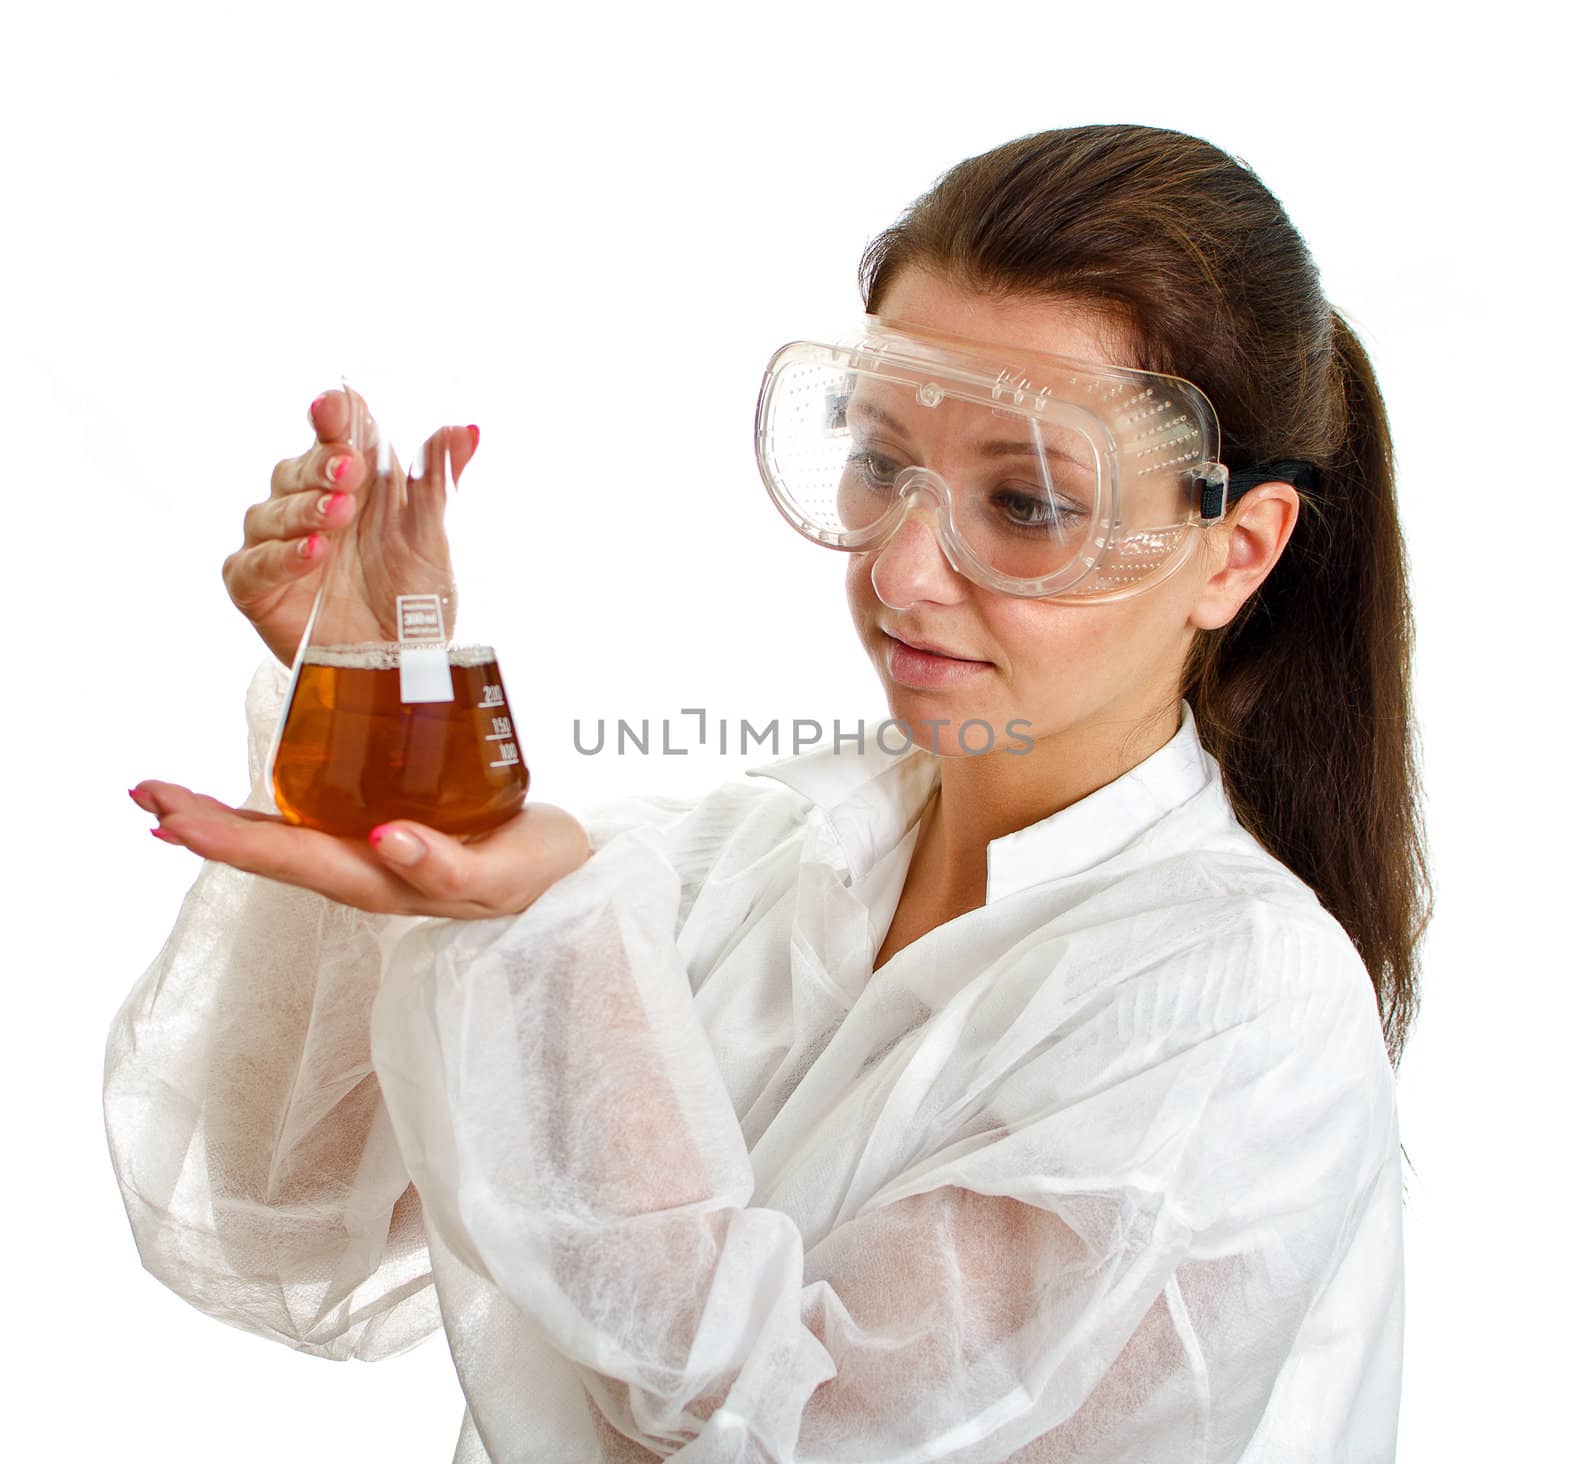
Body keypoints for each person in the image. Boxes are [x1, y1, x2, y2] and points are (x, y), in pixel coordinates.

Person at [104, 124, 1430, 1462]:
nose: (902, 573)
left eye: (1024, 501)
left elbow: (793, 1430)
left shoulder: (1241, 1008)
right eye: (883, 462)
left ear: (1235, 553)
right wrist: (381, 715)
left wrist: (546, 922)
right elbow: (281, 1214)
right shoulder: (759, 860)